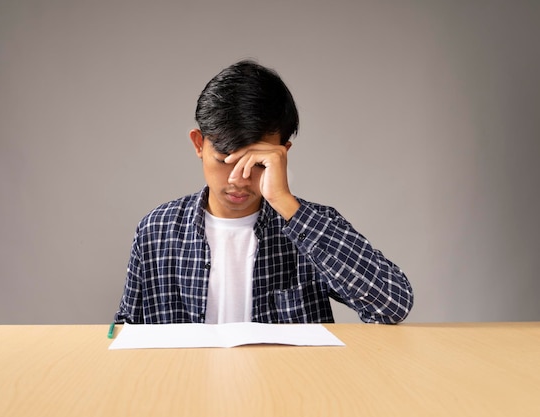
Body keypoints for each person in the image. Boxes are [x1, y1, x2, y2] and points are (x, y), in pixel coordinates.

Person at [114, 60, 413, 325]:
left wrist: (286, 204)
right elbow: (127, 332)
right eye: (224, 160)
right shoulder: (156, 231)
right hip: (187, 387)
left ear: (283, 154)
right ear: (198, 144)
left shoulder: (313, 227)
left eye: (256, 163)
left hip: (287, 389)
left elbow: (392, 305)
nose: (238, 180)